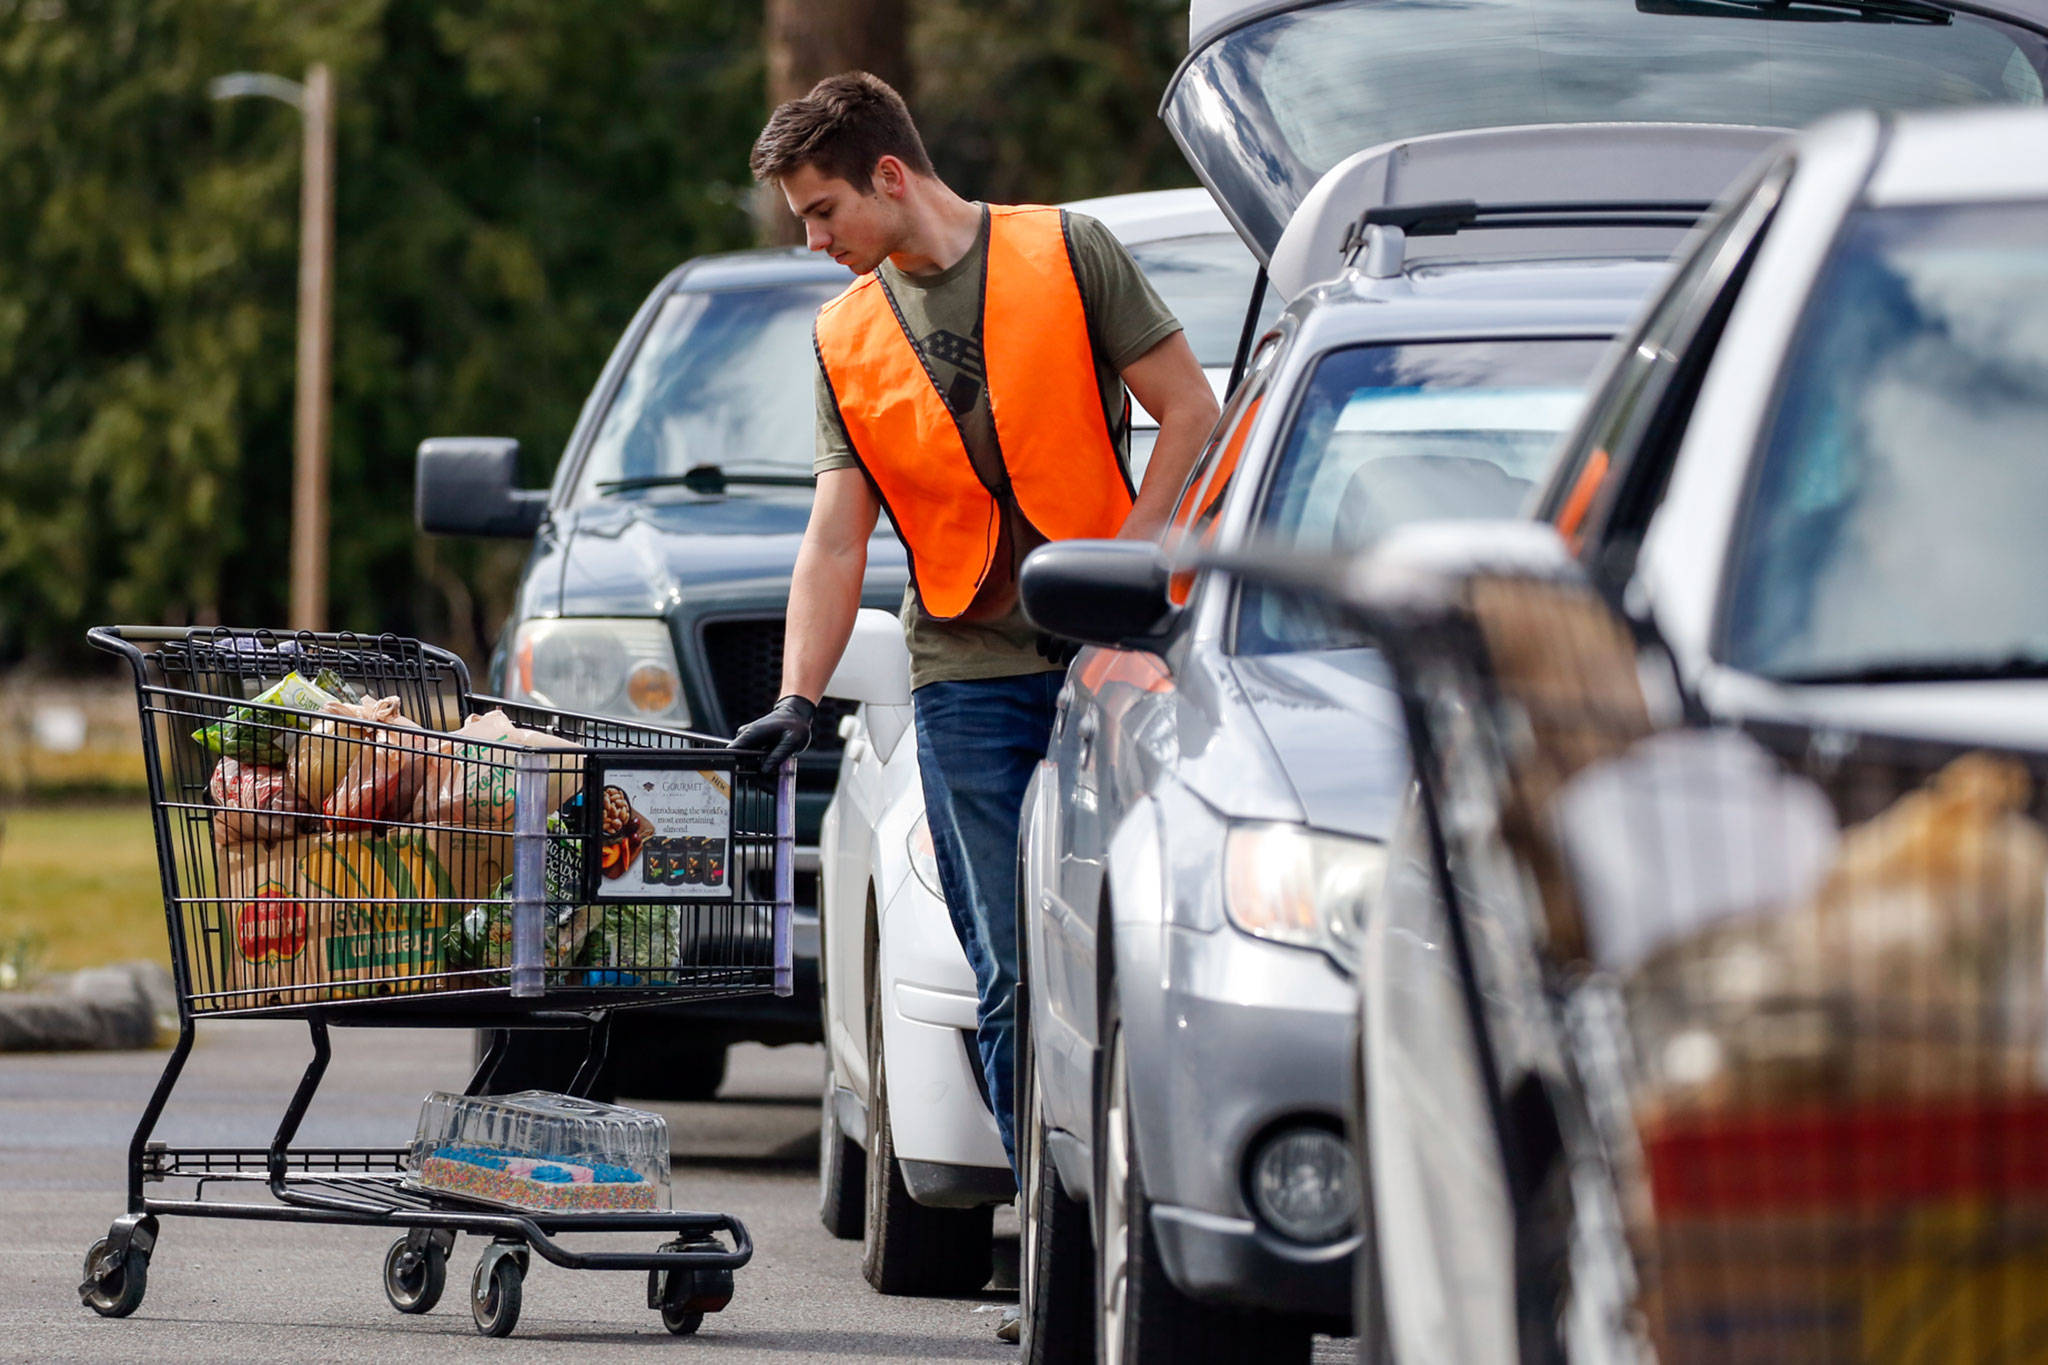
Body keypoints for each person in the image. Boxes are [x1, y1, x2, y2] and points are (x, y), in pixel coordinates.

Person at [730, 71, 1219, 1341]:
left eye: (823, 208)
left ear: (891, 175)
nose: (813, 237)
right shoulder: (846, 336)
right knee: (1008, 970)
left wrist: (1137, 559)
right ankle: (1069, 1259)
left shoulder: (1068, 253)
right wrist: (794, 695)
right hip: (964, 674)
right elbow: (834, 542)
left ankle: (1147, 1242)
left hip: (1110, 662)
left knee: (1127, 958)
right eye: (800, 216)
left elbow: (1188, 413)